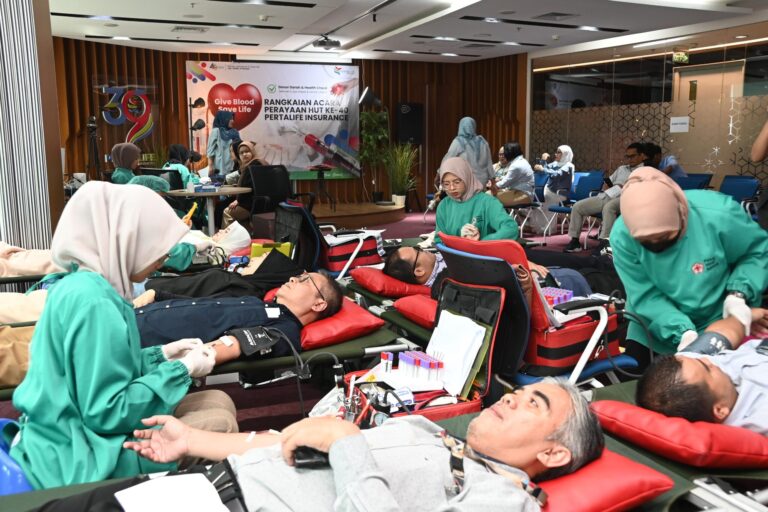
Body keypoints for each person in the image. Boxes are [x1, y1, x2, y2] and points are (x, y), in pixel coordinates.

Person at [36, 379, 604, 511]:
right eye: (520, 391)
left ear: (554, 453)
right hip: (190, 487)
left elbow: (338, 444)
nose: (512, 397)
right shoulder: (430, 432)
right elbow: (297, 444)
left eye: (535, 404)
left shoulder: (504, 498)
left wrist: (348, 440)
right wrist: (195, 439)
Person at [10, 182, 238, 490]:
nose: (164, 256)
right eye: (156, 245)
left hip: (62, 436)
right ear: (128, 241)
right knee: (218, 425)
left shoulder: (88, 287)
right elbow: (106, 411)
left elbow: (99, 373)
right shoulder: (95, 302)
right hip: (76, 455)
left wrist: (161, 357)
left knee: (217, 400)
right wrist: (181, 369)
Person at [610, 167, 768, 366]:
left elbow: (757, 252)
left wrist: (738, 294)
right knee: (645, 379)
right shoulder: (621, 236)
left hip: (718, 317)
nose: (658, 245)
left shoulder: (719, 214)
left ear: (683, 215)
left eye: (665, 237)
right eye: (647, 242)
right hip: (654, 322)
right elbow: (646, 295)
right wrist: (683, 332)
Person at [135, 270, 344, 363]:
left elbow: (231, 346)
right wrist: (158, 295)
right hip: (136, 314)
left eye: (305, 281)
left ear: (319, 304)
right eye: (299, 276)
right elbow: (202, 305)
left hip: (139, 341)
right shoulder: (256, 302)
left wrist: (178, 364)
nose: (293, 279)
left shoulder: (284, 330)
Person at [636, 307, 768, 435]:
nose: (707, 360)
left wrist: (744, 316)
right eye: (707, 368)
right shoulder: (760, 419)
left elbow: (721, 333)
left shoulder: (687, 367)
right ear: (720, 410)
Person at [384, 246, 592, 298]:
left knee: (570, 261)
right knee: (584, 273)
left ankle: (600, 259)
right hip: (523, 272)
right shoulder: (448, 278)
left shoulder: (440, 261)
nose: (422, 249)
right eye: (418, 251)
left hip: (509, 257)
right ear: (419, 270)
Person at [562, 142, 645, 253]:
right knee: (578, 206)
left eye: (633, 156)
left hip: (626, 199)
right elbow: (608, 182)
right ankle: (575, 241)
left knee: (609, 207)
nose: (630, 159)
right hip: (608, 195)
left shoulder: (645, 171)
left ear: (642, 155)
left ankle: (605, 242)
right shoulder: (621, 168)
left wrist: (623, 187)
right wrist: (607, 187)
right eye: (628, 156)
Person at [435, 157, 519, 244]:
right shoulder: (444, 205)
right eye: (446, 184)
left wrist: (481, 243)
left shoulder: (487, 202)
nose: (452, 188)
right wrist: (461, 242)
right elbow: (439, 239)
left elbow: (510, 229)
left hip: (483, 252)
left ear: (467, 178)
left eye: (457, 182)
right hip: (453, 252)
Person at [222, 140, 269, 229]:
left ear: (252, 151)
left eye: (247, 151)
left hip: (253, 205)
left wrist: (238, 201)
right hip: (261, 203)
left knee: (227, 212)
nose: (244, 154)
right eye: (241, 153)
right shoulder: (256, 163)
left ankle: (227, 236)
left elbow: (251, 188)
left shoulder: (253, 166)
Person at [442, 117, 495, 191]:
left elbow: (447, 159)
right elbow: (489, 163)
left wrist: (439, 173)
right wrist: (493, 181)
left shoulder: (459, 142)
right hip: (482, 181)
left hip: (465, 180)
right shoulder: (483, 142)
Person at [531, 145, 575, 234]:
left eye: (559, 152)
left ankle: (548, 228)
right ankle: (538, 226)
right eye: (556, 152)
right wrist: (543, 161)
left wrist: (543, 169)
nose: (556, 154)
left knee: (546, 198)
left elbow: (556, 174)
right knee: (538, 198)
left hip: (560, 193)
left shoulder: (569, 166)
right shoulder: (555, 163)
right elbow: (545, 169)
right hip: (550, 190)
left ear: (565, 154)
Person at [495, 142, 535, 208]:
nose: (504, 155)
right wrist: (500, 179)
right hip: (523, 193)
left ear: (510, 153)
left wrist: (493, 185)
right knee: (490, 196)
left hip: (523, 196)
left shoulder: (516, 165)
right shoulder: (521, 161)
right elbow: (511, 178)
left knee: (488, 197)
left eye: (505, 153)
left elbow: (505, 183)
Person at [207, 110, 240, 177]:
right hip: (220, 168)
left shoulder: (234, 132)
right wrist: (210, 166)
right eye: (230, 119)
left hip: (233, 166)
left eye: (233, 119)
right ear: (224, 119)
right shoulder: (216, 131)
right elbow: (210, 151)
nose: (232, 121)